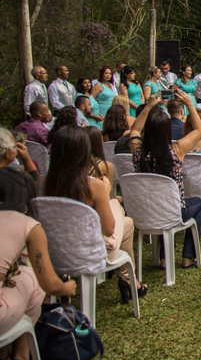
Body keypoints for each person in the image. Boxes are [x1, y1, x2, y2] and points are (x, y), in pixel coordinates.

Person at [45, 125, 146, 301]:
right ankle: (128, 279)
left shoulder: (42, 182)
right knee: (119, 209)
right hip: (89, 251)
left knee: (127, 223)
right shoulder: (93, 186)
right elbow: (108, 230)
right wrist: (106, 196)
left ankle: (129, 280)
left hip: (54, 249)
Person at [1, 209, 77, 360]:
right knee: (32, 277)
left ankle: (2, 358)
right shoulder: (27, 225)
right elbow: (49, 285)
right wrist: (66, 288)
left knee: (20, 275)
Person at [130, 91, 201, 270]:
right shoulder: (176, 150)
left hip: (145, 211)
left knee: (163, 205)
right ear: (167, 129)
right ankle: (188, 256)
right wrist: (189, 104)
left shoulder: (137, 151)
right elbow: (199, 130)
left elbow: (134, 130)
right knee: (199, 203)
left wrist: (148, 106)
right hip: (173, 212)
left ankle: (165, 258)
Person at [0, 128, 40, 214]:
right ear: (7, 152)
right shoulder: (18, 177)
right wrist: (26, 159)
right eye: (15, 146)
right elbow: (38, 188)